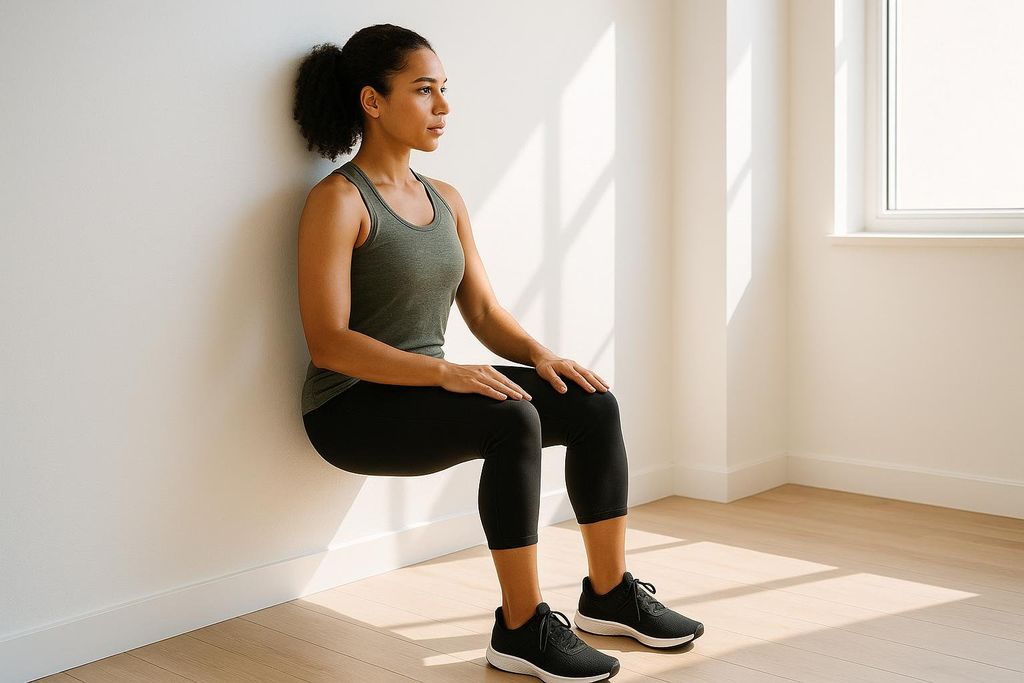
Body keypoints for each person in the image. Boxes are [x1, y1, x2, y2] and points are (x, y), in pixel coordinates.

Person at [292, 24, 703, 682]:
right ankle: (520, 627)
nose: (443, 108)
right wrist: (447, 372)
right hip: (350, 407)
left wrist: (542, 355)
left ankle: (609, 592)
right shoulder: (338, 202)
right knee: (510, 417)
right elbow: (329, 341)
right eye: (424, 91)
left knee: (592, 401)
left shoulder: (444, 198)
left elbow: (480, 310)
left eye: (444, 91)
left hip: (425, 387)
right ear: (373, 101)